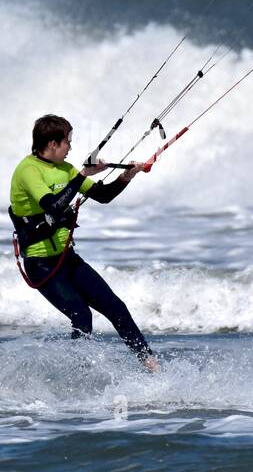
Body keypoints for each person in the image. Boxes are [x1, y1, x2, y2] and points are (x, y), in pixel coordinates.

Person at [9, 114, 159, 371]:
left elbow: (102, 196)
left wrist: (127, 177)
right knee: (82, 315)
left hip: (67, 259)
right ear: (53, 143)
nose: (70, 147)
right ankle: (76, 375)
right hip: (41, 264)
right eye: (68, 141)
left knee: (115, 307)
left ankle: (150, 362)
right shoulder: (28, 170)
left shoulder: (65, 170)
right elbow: (53, 207)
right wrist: (82, 174)